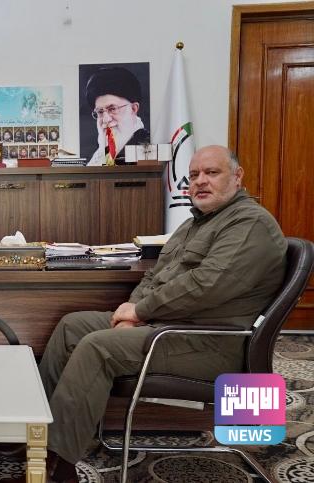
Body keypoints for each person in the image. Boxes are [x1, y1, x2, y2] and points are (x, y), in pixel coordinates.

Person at [36, 146, 287, 482]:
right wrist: (133, 316)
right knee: (72, 326)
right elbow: (154, 276)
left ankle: (57, 464)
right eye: (194, 175)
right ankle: (37, 435)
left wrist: (140, 311)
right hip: (167, 325)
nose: (200, 181)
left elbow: (205, 285)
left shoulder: (250, 223)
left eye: (212, 173)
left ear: (237, 177)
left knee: (99, 347)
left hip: (209, 343)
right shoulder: (195, 224)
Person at [85, 67, 149, 166]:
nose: (106, 119)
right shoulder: (100, 154)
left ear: (133, 109)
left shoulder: (146, 149)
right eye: (100, 112)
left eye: (112, 109)